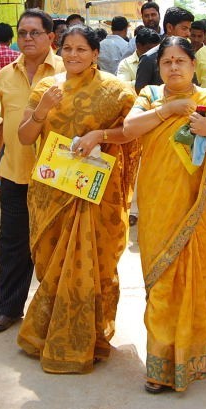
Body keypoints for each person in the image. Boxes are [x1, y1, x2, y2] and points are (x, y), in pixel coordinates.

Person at [122, 36, 206, 393]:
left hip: (202, 205)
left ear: (193, 65)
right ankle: (161, 364)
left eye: (180, 61)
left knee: (203, 276)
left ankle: (204, 353)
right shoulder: (150, 96)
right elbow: (129, 129)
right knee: (161, 279)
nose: (173, 67)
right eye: (166, 62)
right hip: (159, 202)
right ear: (159, 67)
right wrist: (169, 110)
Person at [15, 25, 139, 374]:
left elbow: (132, 133)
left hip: (96, 195)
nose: (73, 55)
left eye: (81, 49)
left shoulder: (117, 91)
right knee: (51, 263)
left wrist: (100, 134)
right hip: (51, 192)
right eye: (67, 48)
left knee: (92, 266)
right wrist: (42, 110)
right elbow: (24, 137)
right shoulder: (46, 88)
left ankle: (89, 338)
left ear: (96, 54)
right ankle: (45, 334)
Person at [0, 9, 64, 334]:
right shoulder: (5, 75)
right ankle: (6, 309)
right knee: (12, 246)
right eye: (23, 33)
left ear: (51, 37)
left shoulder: (68, 71)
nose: (27, 38)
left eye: (35, 32)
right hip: (15, 173)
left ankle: (56, 312)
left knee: (57, 247)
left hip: (58, 178)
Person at [134, 6, 194, 92]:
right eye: (184, 28)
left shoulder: (189, 56)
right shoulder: (148, 59)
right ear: (169, 27)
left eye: (189, 29)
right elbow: (140, 93)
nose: (188, 33)